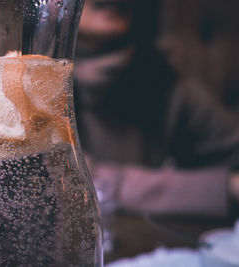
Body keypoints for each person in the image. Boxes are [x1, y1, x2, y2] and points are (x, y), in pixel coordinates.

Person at [74, 0, 239, 219]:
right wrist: (225, 187)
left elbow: (230, 144)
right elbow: (74, 182)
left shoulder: (160, 75)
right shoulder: (29, 78)